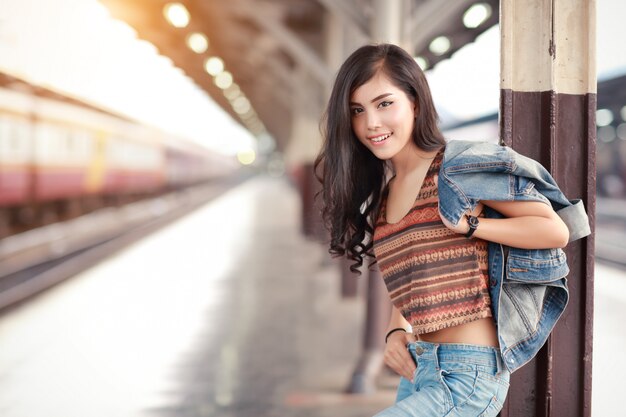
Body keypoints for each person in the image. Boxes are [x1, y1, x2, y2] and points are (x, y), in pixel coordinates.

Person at [314, 43, 590, 417]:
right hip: (421, 367)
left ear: (414, 101)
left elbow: (552, 230)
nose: (371, 124)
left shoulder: (457, 169)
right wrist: (397, 329)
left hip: (470, 375)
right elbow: (414, 270)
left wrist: (471, 226)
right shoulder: (386, 192)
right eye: (357, 111)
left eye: (384, 104)